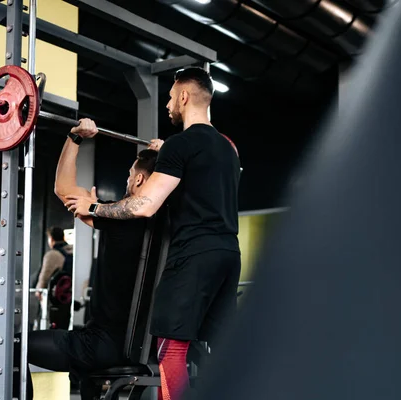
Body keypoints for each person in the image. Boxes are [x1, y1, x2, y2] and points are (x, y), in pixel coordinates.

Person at [65, 67, 242, 400]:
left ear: (185, 96)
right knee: (222, 349)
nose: (168, 105)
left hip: (194, 255)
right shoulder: (227, 150)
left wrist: (95, 209)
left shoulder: (181, 145)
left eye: (172, 97)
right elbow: (201, 180)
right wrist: (167, 156)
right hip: (228, 255)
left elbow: (145, 205)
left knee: (170, 349)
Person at [14, 119, 158, 399]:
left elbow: (62, 187)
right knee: (83, 369)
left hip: (102, 345)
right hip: (144, 346)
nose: (128, 178)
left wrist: (74, 136)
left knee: (16, 345)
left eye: (131, 174)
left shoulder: (114, 215)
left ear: (139, 179)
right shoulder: (167, 222)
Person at [33, 226, 74, 302]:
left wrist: (38, 290)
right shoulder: (73, 251)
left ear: (51, 239)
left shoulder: (52, 255)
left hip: (56, 295)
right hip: (71, 292)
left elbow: (45, 275)